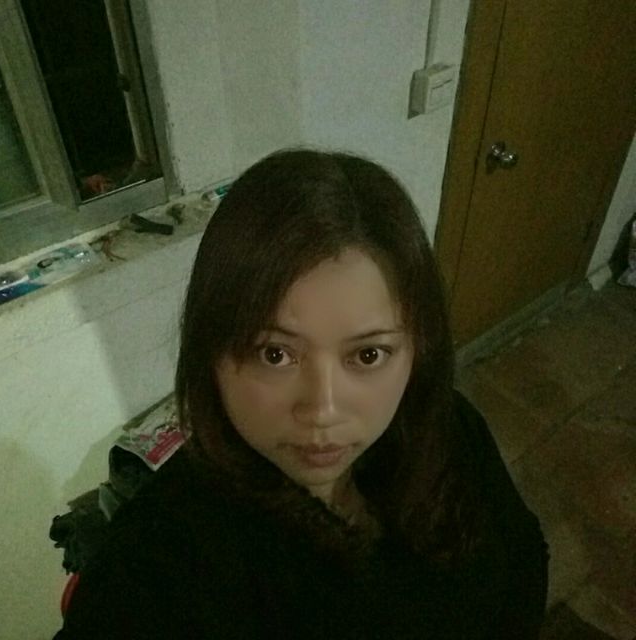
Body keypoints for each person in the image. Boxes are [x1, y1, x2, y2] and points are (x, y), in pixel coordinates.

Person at [54, 149, 548, 639]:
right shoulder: (158, 569)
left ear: (419, 346)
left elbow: (523, 560)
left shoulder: (448, 429)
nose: (322, 411)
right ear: (210, 351)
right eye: (275, 354)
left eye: (368, 355)